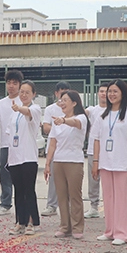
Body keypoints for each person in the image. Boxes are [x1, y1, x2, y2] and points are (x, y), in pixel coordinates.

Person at [91, 79, 127, 246]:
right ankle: (110, 231)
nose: (111, 94)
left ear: (122, 94)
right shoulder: (102, 116)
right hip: (106, 163)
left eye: (115, 91)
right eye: (109, 91)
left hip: (123, 163)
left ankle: (123, 233)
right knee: (109, 198)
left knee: (122, 200)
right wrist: (96, 162)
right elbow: (96, 139)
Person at [46, 90, 88, 239]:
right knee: (61, 196)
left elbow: (75, 123)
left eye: (65, 100)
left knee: (75, 195)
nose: (62, 103)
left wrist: (64, 121)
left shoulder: (81, 117)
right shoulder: (57, 120)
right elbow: (52, 143)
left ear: (74, 103)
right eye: (61, 100)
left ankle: (77, 227)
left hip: (74, 161)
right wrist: (47, 163)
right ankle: (65, 227)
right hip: (58, 161)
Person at [7, 81, 43, 235]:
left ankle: (32, 221)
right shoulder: (14, 113)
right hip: (15, 157)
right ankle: (20, 221)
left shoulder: (35, 109)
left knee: (29, 190)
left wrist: (19, 108)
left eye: (27, 92)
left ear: (34, 94)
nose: (23, 95)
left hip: (28, 157)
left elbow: (27, 112)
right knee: (18, 191)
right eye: (21, 92)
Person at [0, 70, 24, 216]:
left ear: (19, 85)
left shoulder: (24, 102)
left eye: (14, 83)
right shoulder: (1, 103)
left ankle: (22, 202)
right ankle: (5, 204)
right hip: (5, 144)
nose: (11, 86)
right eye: (9, 83)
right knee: (4, 175)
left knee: (21, 175)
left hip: (21, 145)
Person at [41, 81, 71, 216]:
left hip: (68, 148)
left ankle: (68, 206)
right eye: (61, 91)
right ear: (56, 93)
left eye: (66, 91)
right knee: (53, 178)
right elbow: (46, 127)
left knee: (69, 179)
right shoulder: (50, 109)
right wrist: (62, 127)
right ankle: (51, 205)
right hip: (53, 148)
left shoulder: (74, 109)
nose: (63, 94)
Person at [84, 82, 109, 219]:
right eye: (101, 91)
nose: (104, 94)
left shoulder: (113, 110)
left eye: (106, 91)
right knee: (93, 179)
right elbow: (82, 113)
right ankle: (94, 207)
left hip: (108, 150)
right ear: (98, 93)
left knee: (108, 180)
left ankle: (109, 207)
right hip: (92, 150)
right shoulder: (92, 110)